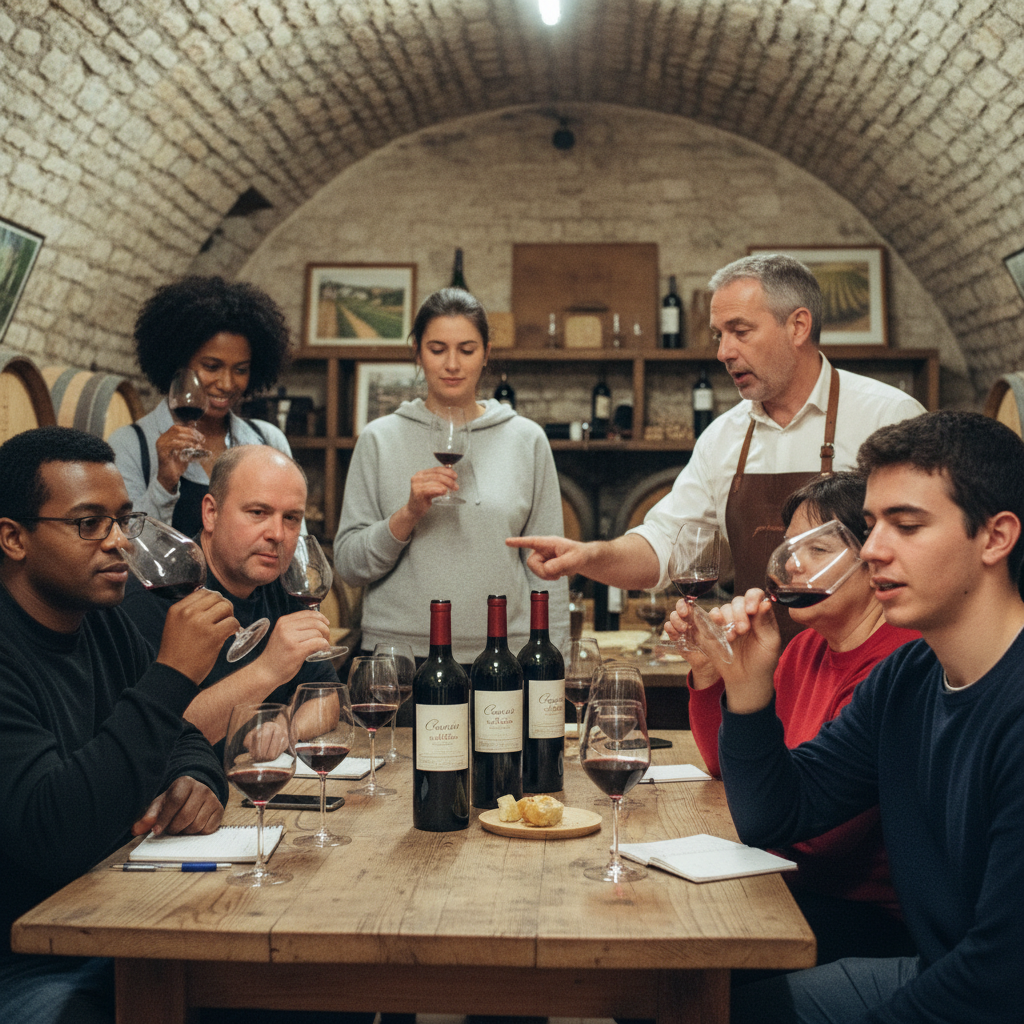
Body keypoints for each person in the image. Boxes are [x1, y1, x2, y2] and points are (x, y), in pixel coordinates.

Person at [705, 411, 1024, 1024]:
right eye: (873, 525)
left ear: (995, 537)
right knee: (680, 1002)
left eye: (905, 525)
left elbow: (1001, 974)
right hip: (937, 968)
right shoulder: (907, 681)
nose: (872, 550)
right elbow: (777, 814)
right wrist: (749, 693)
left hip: (987, 992)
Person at [507, 255, 925, 630]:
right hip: (756, 672)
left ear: (798, 326)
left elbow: (922, 552)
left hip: (870, 676)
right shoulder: (723, 436)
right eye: (718, 335)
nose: (724, 351)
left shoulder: (888, 417)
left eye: (740, 331)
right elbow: (666, 544)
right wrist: (589, 557)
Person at [0, 426, 238, 1024]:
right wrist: (174, 673)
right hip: (28, 955)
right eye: (89, 524)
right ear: (13, 538)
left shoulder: (99, 622)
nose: (120, 544)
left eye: (123, 521)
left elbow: (180, 738)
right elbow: (57, 833)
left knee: (292, 993)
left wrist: (198, 779)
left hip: (114, 916)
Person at [679, 473, 919, 965]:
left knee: (668, 967)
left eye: (817, 549)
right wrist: (712, 675)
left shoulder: (898, 663)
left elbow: (821, 841)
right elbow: (726, 766)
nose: (792, 564)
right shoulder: (806, 648)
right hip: (785, 878)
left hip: (860, 916)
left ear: (870, 557)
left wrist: (739, 838)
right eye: (789, 549)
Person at [334, 287, 569, 667]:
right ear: (417, 352)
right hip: (399, 658)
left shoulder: (527, 440)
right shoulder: (379, 439)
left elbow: (550, 571)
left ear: (487, 353)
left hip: (505, 656)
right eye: (437, 349)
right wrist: (406, 515)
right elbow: (348, 565)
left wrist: (556, 663)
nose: (452, 364)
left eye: (467, 349)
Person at [122, 445, 336, 754]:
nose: (277, 533)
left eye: (291, 518)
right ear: (211, 513)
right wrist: (267, 670)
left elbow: (326, 695)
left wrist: (287, 726)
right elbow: (155, 737)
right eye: (258, 512)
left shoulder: (281, 585)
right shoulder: (157, 595)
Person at [109, 275, 293, 538]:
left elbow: (294, 542)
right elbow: (126, 548)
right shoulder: (131, 445)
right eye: (211, 367)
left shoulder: (268, 441)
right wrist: (164, 483)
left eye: (240, 370)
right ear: (176, 363)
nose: (227, 384)